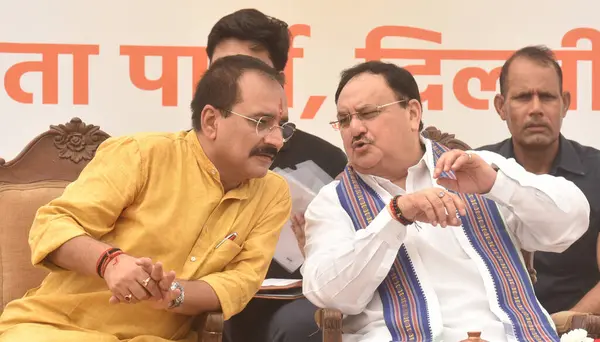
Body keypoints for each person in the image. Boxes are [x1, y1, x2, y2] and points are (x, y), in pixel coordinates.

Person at [0, 55, 293, 342]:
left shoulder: (272, 194)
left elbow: (240, 282)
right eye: (261, 122)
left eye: (282, 126)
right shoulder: (141, 155)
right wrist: (110, 263)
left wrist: (174, 294)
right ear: (211, 121)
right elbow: (52, 225)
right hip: (57, 329)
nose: (277, 140)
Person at [300, 60, 590, 342]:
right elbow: (330, 293)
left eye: (368, 113)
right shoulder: (332, 202)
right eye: (345, 119)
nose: (356, 128)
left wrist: (496, 184)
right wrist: (395, 216)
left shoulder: (478, 167)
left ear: (413, 113)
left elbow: (569, 225)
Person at [206, 9, 347, 342]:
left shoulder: (326, 159)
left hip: (292, 300)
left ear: (277, 81)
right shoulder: (182, 157)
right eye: (222, 71)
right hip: (207, 293)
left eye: (248, 70)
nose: (233, 84)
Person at [478, 45, 600, 316]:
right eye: (522, 97)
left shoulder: (598, 170)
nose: (536, 109)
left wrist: (570, 324)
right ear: (501, 106)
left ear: (565, 103)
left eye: (546, 97)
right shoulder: (476, 171)